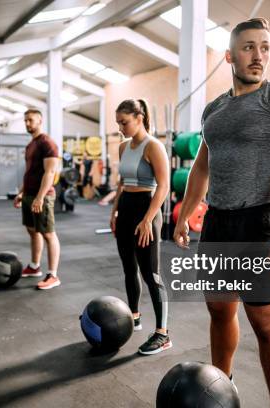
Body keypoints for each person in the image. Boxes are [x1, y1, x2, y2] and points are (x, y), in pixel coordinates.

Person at [173, 18, 270, 407]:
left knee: (266, 324)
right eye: (250, 47)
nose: (259, 56)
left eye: (265, 47)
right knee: (219, 310)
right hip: (218, 222)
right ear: (229, 56)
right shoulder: (213, 111)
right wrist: (185, 214)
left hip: (261, 220)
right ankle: (220, 389)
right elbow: (203, 165)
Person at [110, 99, 172, 355]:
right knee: (128, 268)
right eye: (118, 123)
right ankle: (134, 316)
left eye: (124, 122)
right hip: (126, 207)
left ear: (139, 117)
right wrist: (114, 210)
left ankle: (163, 333)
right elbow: (122, 183)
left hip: (146, 208)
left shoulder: (154, 147)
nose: (121, 128)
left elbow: (164, 186)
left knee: (151, 274)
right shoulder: (124, 148)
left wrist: (147, 219)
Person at [14, 109, 61, 290]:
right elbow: (30, 173)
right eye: (25, 120)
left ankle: (53, 275)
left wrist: (40, 197)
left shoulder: (47, 143)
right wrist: (21, 193)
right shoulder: (31, 144)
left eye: (30, 120)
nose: (27, 123)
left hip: (42, 196)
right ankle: (34, 267)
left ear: (40, 120)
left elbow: (50, 172)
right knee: (33, 231)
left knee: (48, 234)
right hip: (29, 195)